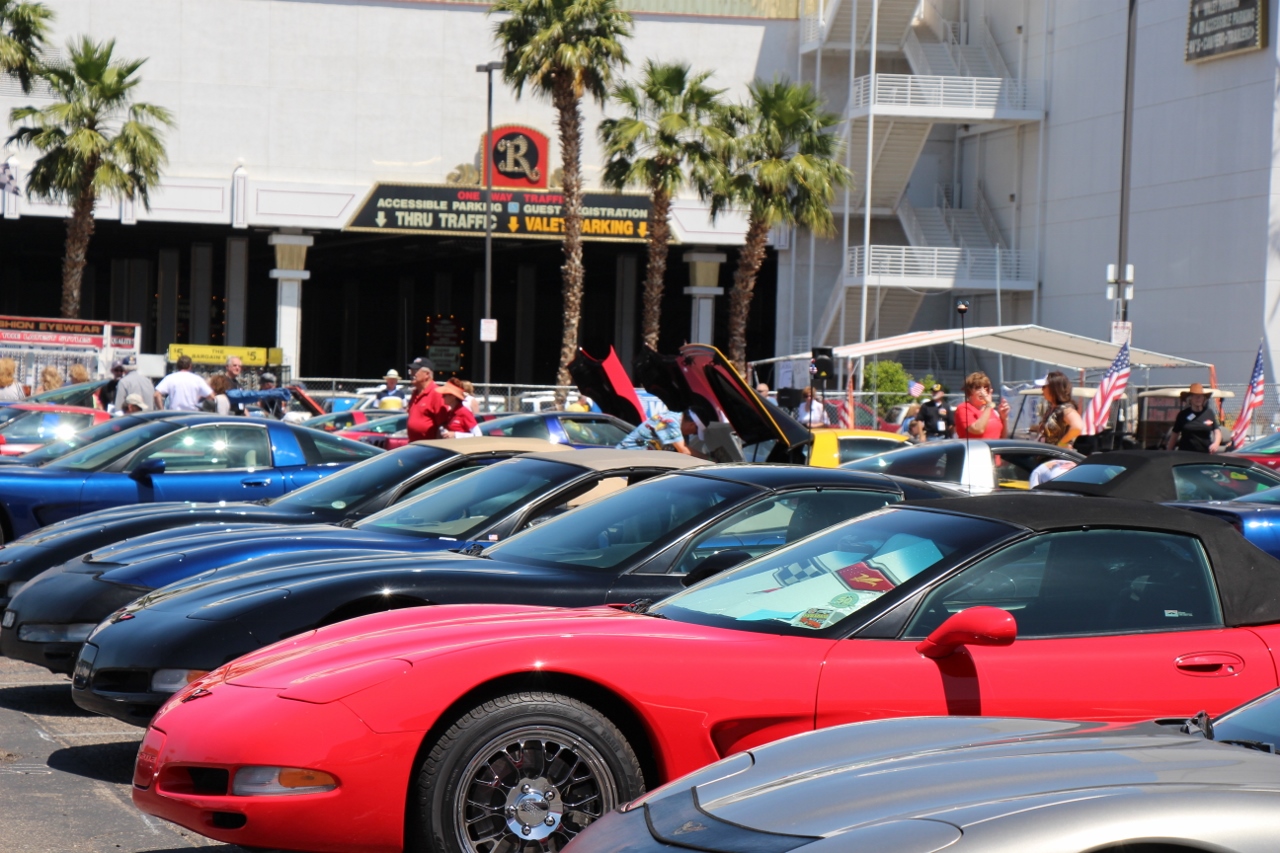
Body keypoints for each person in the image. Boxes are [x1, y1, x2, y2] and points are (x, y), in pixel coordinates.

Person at [405, 357, 452, 441]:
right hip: (414, 447)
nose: (411, 373)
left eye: (415, 370)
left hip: (429, 449)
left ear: (427, 374)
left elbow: (443, 425)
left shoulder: (436, 393)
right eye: (411, 370)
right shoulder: (415, 393)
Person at [1167, 382, 1222, 453]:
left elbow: (1217, 431)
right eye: (1195, 396)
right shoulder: (1183, 414)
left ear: (1204, 398)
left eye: (1200, 396)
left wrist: (1216, 444)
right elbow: (1175, 434)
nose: (1198, 398)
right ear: (1190, 398)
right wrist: (1168, 451)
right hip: (1186, 454)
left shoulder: (1209, 413)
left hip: (1205, 453)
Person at [954, 371, 1009, 439]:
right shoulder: (963, 408)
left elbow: (1003, 437)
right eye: (978, 388)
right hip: (976, 449)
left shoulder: (991, 411)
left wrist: (1004, 418)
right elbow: (978, 429)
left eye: (986, 388)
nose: (983, 392)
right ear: (969, 391)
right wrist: (989, 404)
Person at [1036, 372, 1084, 448]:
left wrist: (1061, 444)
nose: (1042, 389)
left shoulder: (1065, 408)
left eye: (1044, 386)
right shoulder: (1052, 408)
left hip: (1056, 457)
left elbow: (1077, 427)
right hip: (1044, 454)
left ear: (1054, 388)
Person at [616, 410, 693, 454]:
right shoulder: (672, 421)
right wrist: (704, 458)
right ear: (691, 425)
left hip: (638, 460)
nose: (692, 433)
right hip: (626, 458)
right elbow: (683, 451)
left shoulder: (672, 417)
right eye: (695, 431)